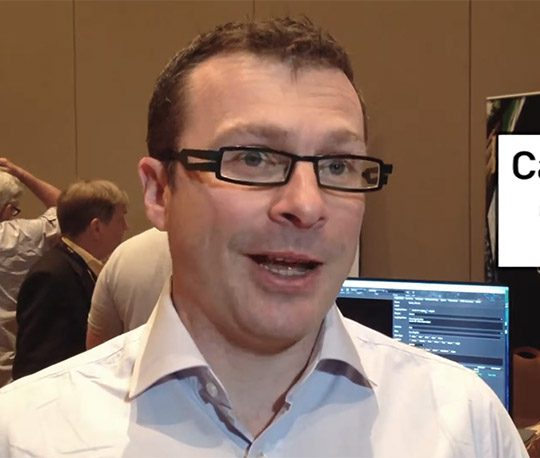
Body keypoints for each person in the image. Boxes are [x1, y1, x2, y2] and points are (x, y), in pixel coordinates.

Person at [0, 17, 528, 457]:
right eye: (252, 158)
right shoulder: (26, 436)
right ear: (159, 192)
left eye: (338, 165)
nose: (306, 204)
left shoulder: (463, 426)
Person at [12, 180, 128, 379]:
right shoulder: (50, 276)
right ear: (96, 228)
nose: (126, 227)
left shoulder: (77, 265)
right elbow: (35, 364)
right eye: (120, 219)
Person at [0, 158, 61, 387]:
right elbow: (67, 208)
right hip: (9, 365)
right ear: (8, 209)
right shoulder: (20, 236)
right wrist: (21, 173)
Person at [86, 227, 170, 349]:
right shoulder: (124, 256)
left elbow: (96, 348)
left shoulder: (124, 256)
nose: (126, 227)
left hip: (142, 358)